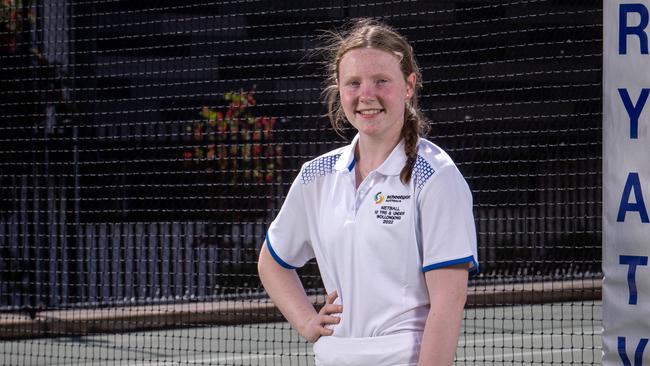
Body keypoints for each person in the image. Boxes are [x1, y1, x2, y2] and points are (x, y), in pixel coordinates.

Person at [257, 18, 478, 366]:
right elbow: (272, 262)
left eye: (381, 81)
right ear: (339, 90)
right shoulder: (316, 176)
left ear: (408, 86)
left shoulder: (436, 176)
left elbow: (447, 308)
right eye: (354, 83)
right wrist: (307, 322)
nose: (366, 95)